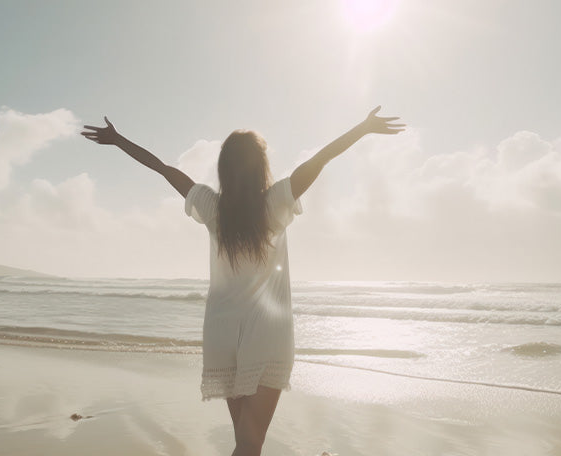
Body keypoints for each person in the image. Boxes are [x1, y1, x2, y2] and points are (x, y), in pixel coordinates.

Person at [81, 106, 404, 456]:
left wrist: (118, 140)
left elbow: (164, 169)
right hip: (266, 335)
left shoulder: (211, 206)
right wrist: (363, 128)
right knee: (250, 445)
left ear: (224, 168)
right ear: (260, 166)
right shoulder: (276, 201)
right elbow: (320, 159)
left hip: (222, 333)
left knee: (245, 443)